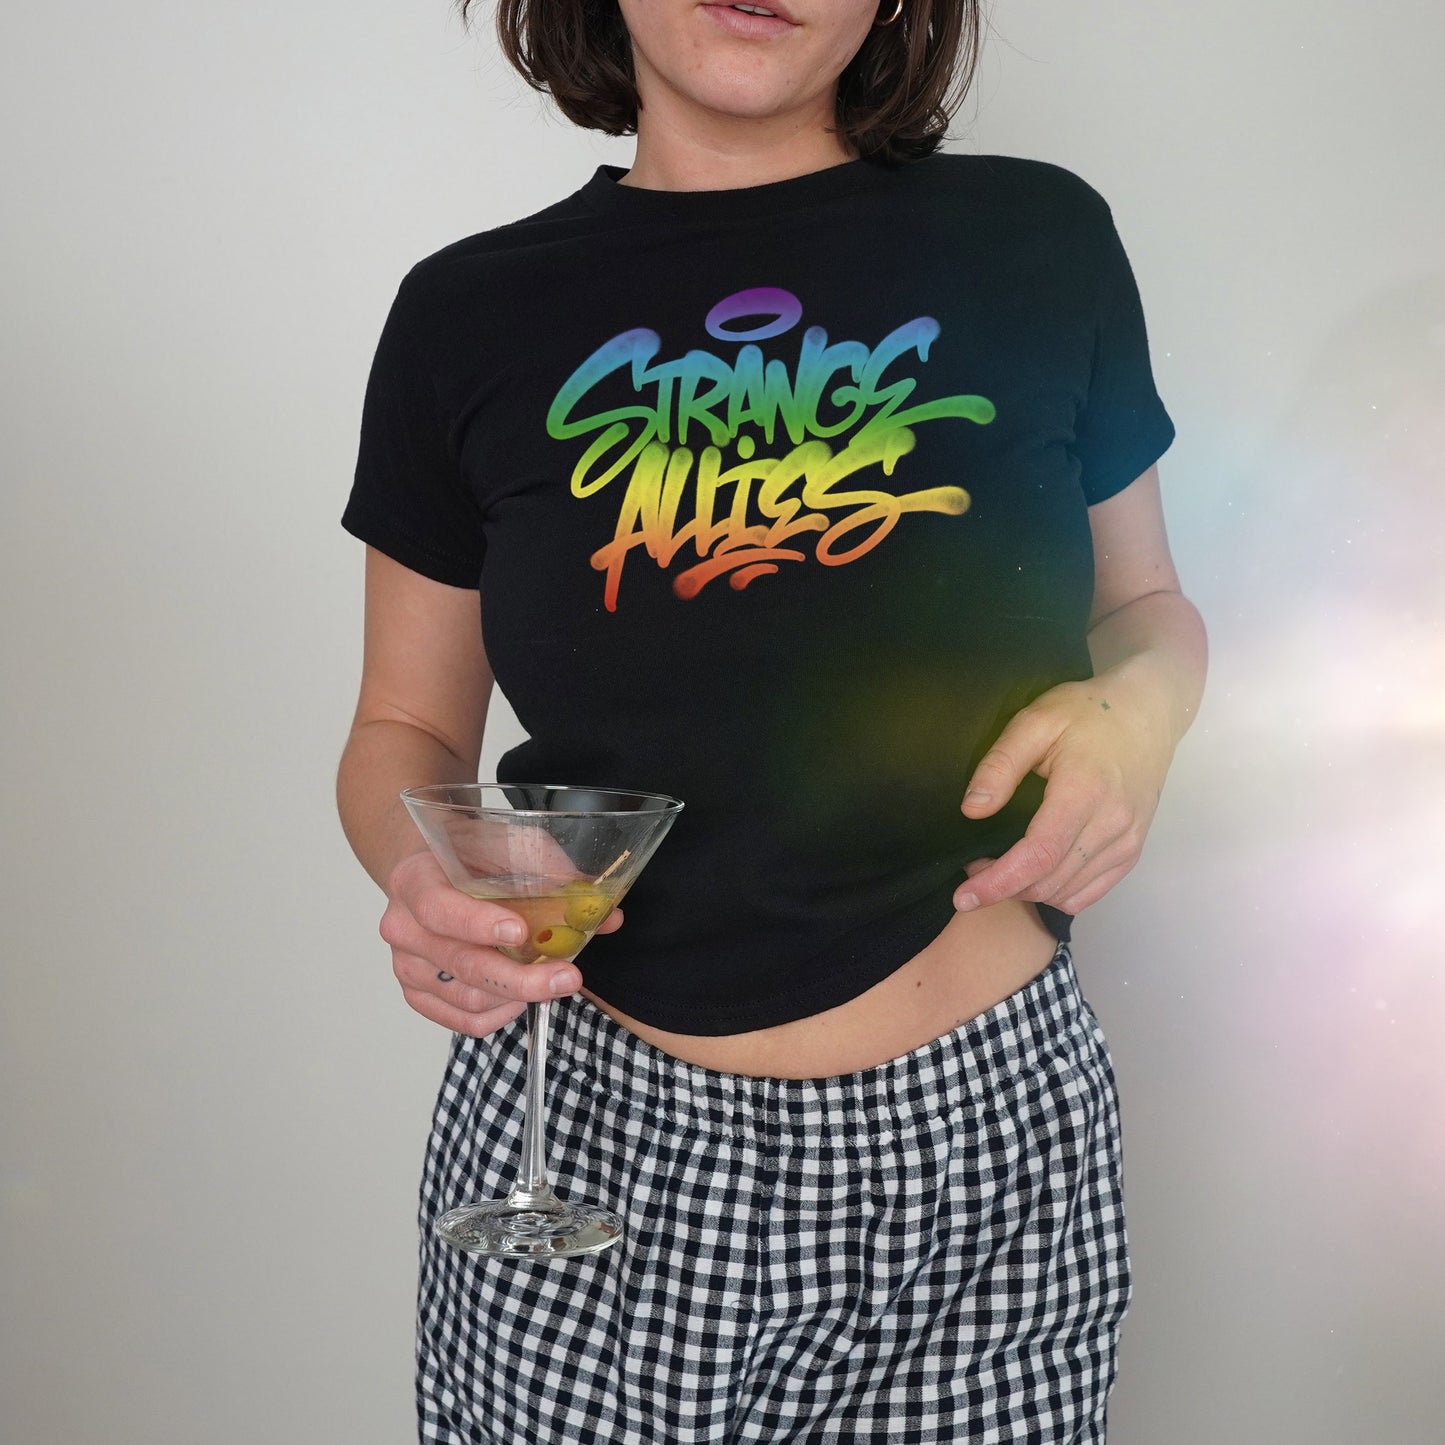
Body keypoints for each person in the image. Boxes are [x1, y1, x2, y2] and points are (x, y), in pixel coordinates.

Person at [337, 0, 1208, 1439]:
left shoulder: (1040, 239)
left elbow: (1149, 610)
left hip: (984, 1141)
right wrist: (421, 875)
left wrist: (1139, 717)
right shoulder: (465, 313)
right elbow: (399, 733)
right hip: (587, 1146)